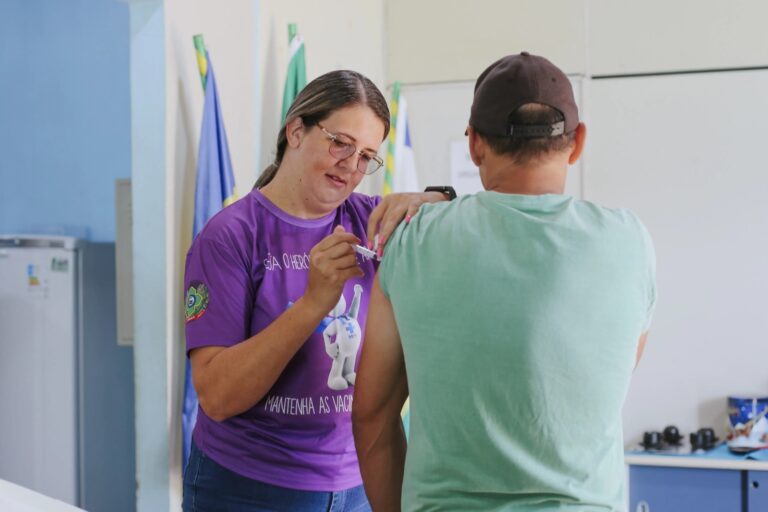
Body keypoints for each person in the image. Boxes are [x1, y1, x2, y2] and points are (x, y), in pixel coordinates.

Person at [352, 52, 657, 511]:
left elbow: (372, 415)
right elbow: (606, 371)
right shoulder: (629, 241)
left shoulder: (413, 239)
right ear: (577, 142)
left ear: (475, 144)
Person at [182, 69, 449, 511]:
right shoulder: (230, 236)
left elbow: (479, 226)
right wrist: (312, 304)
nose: (352, 165)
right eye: (341, 143)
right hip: (250, 487)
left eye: (366, 156)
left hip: (359, 482)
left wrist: (437, 198)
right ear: (295, 131)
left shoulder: (372, 222)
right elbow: (218, 397)